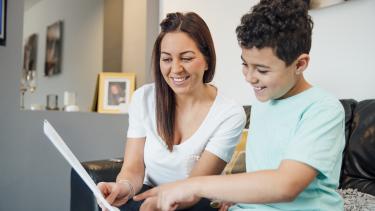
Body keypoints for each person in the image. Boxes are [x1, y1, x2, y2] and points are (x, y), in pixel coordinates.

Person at [134, 0, 346, 210]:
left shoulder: (323, 109)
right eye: (245, 65)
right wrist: (236, 195)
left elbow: (286, 185)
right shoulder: (265, 101)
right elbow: (264, 172)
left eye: (262, 70)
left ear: (300, 64)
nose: (250, 78)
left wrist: (192, 186)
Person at [97, 12, 246, 211]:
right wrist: (124, 187)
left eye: (186, 58)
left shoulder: (229, 114)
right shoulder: (143, 98)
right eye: (166, 59)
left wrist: (157, 204)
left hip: (195, 200)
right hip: (149, 193)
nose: (175, 69)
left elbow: (195, 186)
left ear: (207, 60)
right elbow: (133, 168)